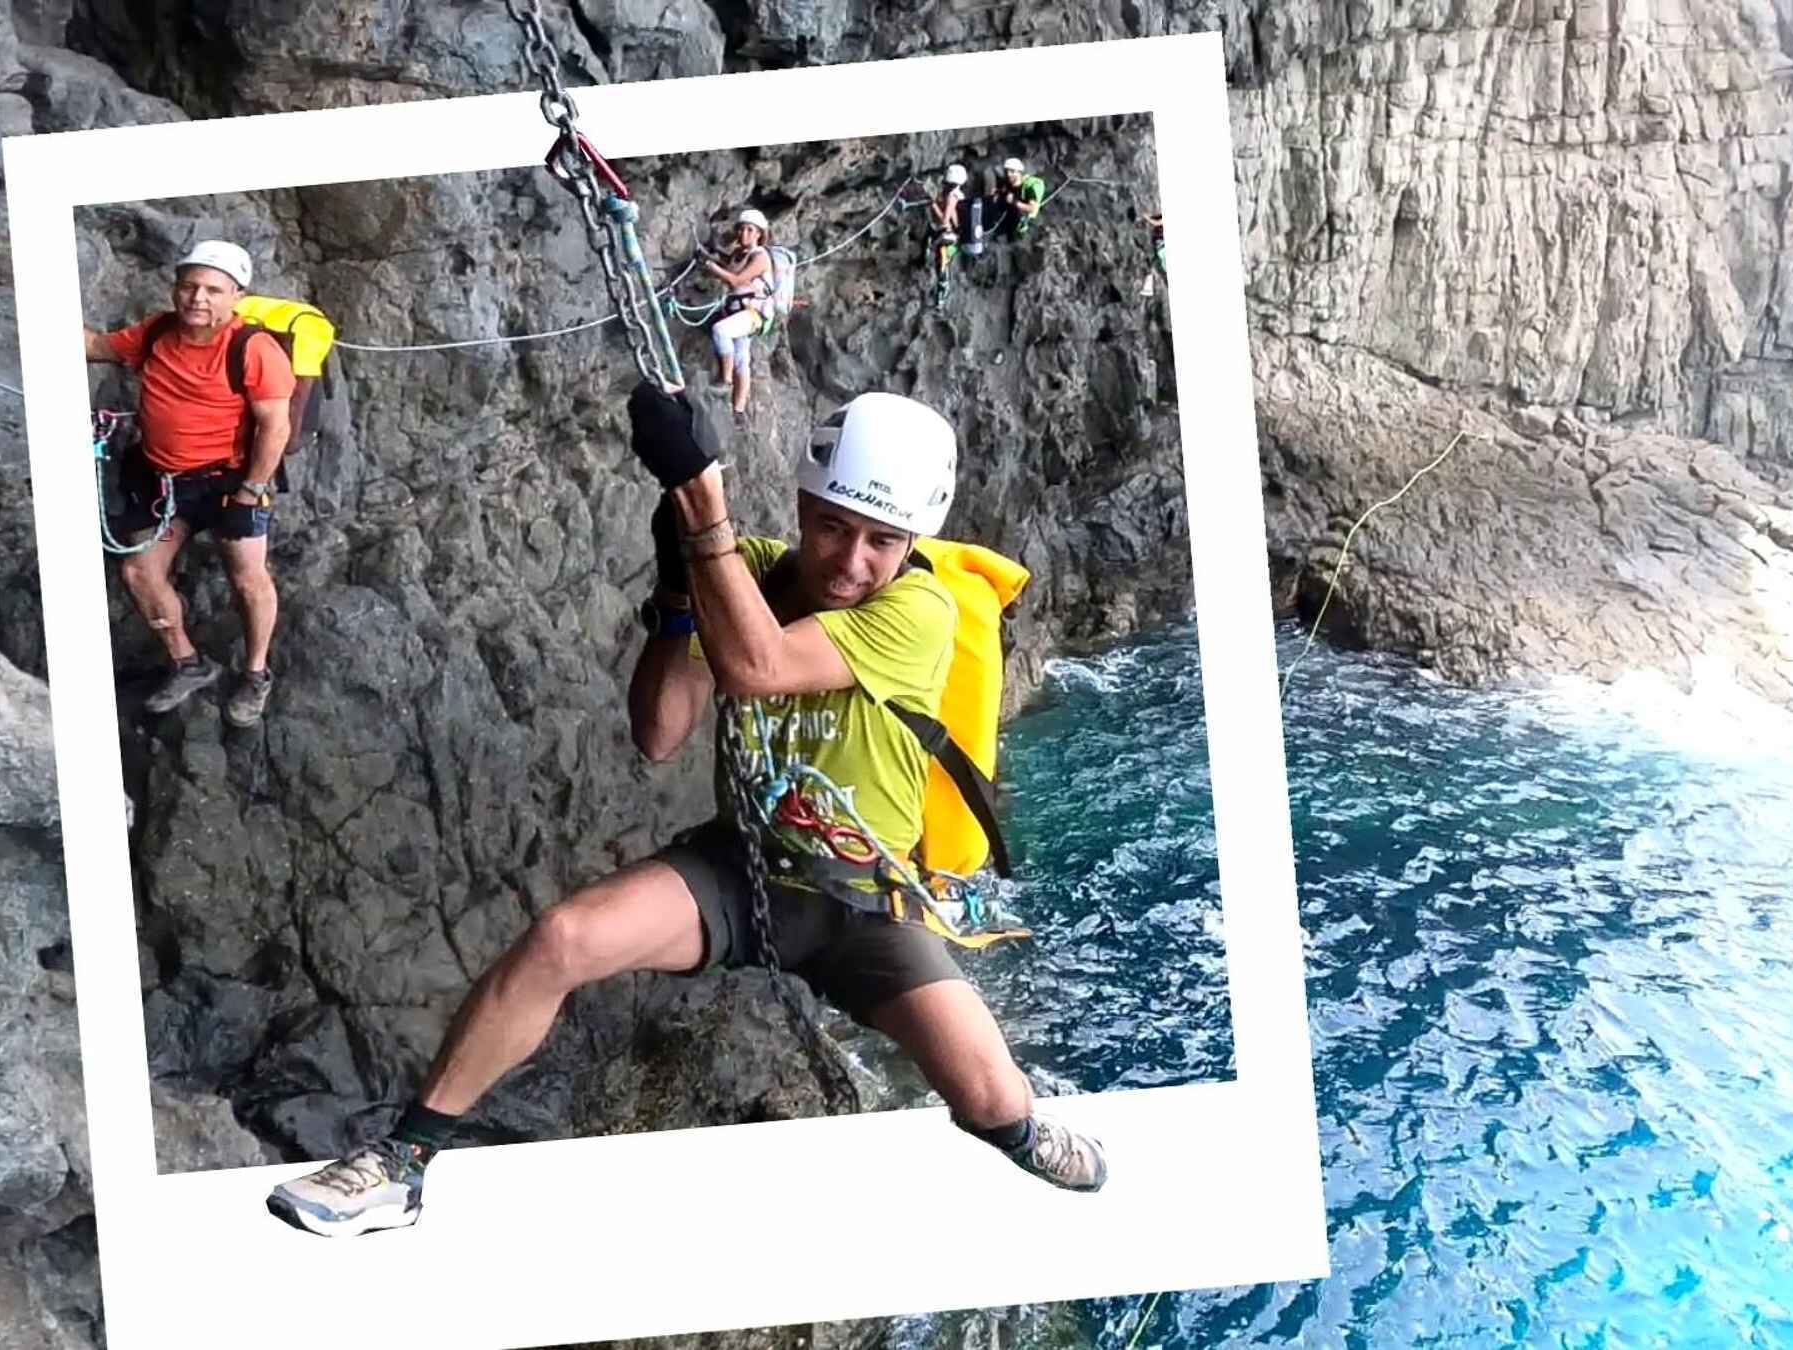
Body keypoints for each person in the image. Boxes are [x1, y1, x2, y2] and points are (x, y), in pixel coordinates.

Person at [264, 381, 1107, 1239]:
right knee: (562, 939)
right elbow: (659, 733)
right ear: (804, 503)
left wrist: (702, 500)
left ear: (911, 544)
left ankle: (1027, 1127)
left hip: (864, 906)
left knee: (993, 1106)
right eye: (832, 527)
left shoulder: (918, 609)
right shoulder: (748, 575)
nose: (852, 562)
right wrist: (678, 598)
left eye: (882, 541)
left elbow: (761, 667)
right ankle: (401, 1165)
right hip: (740, 872)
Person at [82, 240, 299, 726]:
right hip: (165, 481)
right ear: (176, 289)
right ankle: (188, 662)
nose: (199, 298)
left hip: (230, 482)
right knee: (139, 572)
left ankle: (256, 674)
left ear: (236, 297)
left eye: (213, 290)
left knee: (248, 577)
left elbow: (275, 427)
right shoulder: (157, 332)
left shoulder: (253, 349)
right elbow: (97, 347)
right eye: (189, 286)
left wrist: (250, 490)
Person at [699, 208, 778, 415]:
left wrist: (711, 267)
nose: (744, 234)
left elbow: (735, 280)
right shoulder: (738, 254)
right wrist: (711, 260)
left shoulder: (761, 257)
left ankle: (725, 381)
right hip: (737, 311)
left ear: (759, 233)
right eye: (742, 229)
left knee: (720, 331)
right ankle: (739, 410)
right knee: (742, 359)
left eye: (750, 230)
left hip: (754, 314)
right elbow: (729, 272)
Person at [928, 164, 970, 300]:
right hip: (958, 234)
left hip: (952, 235)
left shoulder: (953, 197)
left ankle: (942, 289)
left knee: (941, 256)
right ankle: (941, 289)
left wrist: (933, 205)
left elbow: (944, 221)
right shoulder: (960, 194)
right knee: (942, 258)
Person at [987, 157, 1048, 243]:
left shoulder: (1028, 188)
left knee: (1013, 237)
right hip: (1007, 214)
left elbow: (1032, 208)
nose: (1009, 174)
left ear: (1019, 172)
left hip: (1019, 218)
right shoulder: (1008, 182)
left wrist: (1014, 202)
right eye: (1007, 171)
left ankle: (1013, 240)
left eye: (1012, 171)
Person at [1141, 208, 1166, 297]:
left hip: (1162, 247)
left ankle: (1149, 287)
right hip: (1160, 247)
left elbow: (1157, 223)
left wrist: (1147, 218)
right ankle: (1149, 286)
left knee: (1156, 263)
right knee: (1156, 264)